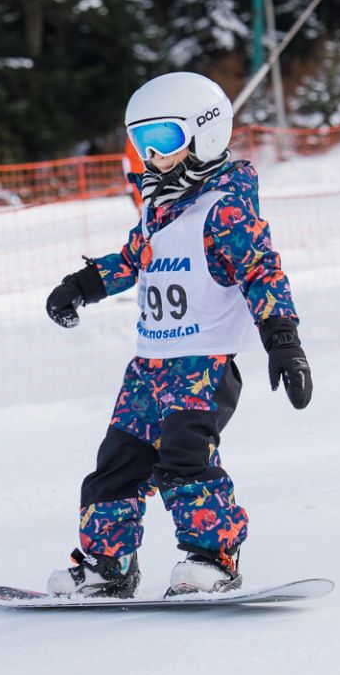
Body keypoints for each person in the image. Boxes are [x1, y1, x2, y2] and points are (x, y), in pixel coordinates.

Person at [44, 72, 312, 598]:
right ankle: (108, 564)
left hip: (201, 366)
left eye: (163, 139)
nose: (152, 156)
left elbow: (261, 272)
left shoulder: (224, 209)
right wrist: (80, 286)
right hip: (148, 367)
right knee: (116, 463)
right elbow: (131, 260)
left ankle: (214, 558)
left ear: (205, 133)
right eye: (141, 142)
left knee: (185, 460)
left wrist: (283, 340)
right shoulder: (158, 207)